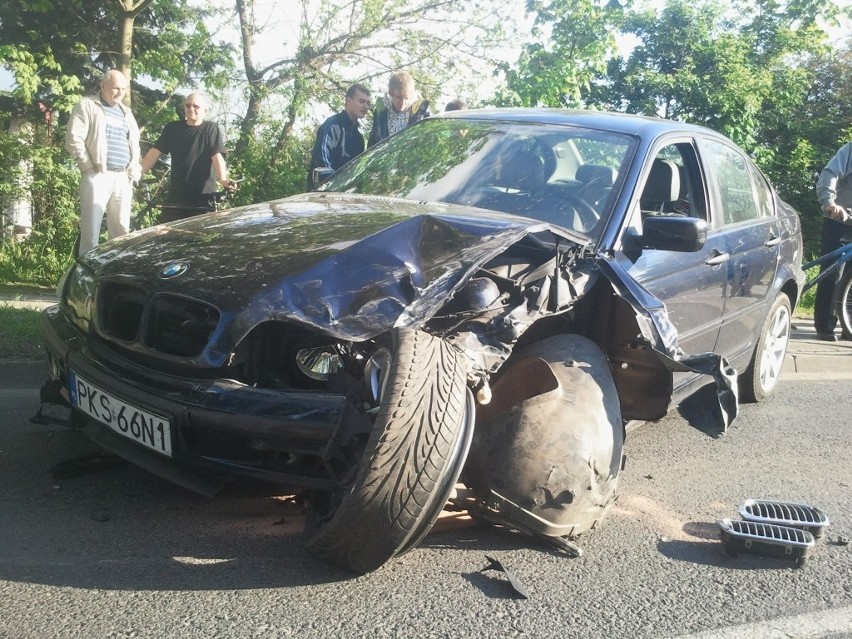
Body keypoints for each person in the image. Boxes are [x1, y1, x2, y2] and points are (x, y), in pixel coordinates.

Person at [65, 69, 141, 255]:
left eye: (123, 89)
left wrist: (134, 170)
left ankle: (114, 277)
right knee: (91, 232)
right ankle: (85, 279)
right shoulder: (87, 106)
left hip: (123, 177)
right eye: (115, 88)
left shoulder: (126, 113)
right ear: (103, 86)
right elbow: (73, 138)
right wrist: (87, 167)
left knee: (121, 231)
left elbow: (135, 144)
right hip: (98, 175)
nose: (119, 93)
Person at [140, 91, 236, 222]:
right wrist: (136, 174)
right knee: (169, 240)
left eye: (196, 106)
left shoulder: (210, 129)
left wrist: (224, 179)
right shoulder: (172, 129)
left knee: (201, 241)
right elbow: (154, 153)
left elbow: (216, 156)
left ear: (205, 110)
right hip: (176, 199)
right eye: (188, 105)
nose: (191, 109)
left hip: (203, 200)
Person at [814, 140, 852, 341]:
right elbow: (830, 173)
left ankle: (849, 328)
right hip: (839, 219)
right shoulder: (850, 150)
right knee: (832, 273)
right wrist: (829, 202)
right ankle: (825, 326)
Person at [307, 83, 371, 189]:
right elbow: (322, 158)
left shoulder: (359, 138)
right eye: (362, 101)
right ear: (348, 100)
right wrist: (334, 184)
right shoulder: (333, 125)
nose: (366, 106)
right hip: (322, 193)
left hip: (347, 196)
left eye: (368, 103)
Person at [367, 70, 430, 147]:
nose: (403, 103)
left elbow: (430, 141)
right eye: (399, 97)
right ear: (391, 93)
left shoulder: (422, 110)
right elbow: (373, 141)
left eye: (406, 98)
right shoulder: (381, 110)